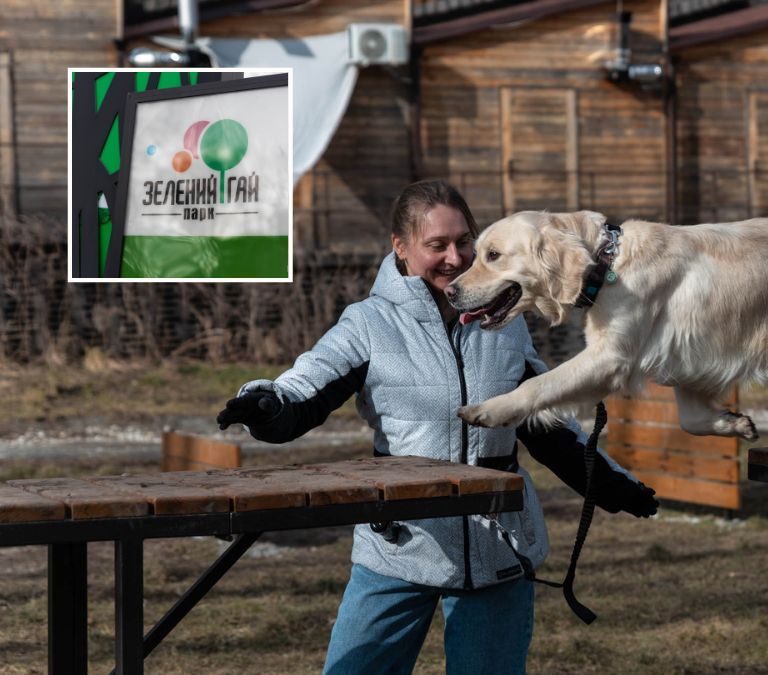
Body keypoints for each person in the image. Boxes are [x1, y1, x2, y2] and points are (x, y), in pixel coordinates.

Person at [215, 180, 658, 673]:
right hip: (401, 547)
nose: (455, 257)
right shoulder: (368, 323)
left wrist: (614, 485)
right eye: (436, 245)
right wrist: (266, 405)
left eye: (464, 241)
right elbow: (305, 388)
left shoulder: (504, 320)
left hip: (499, 550)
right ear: (400, 248)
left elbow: (545, 423)